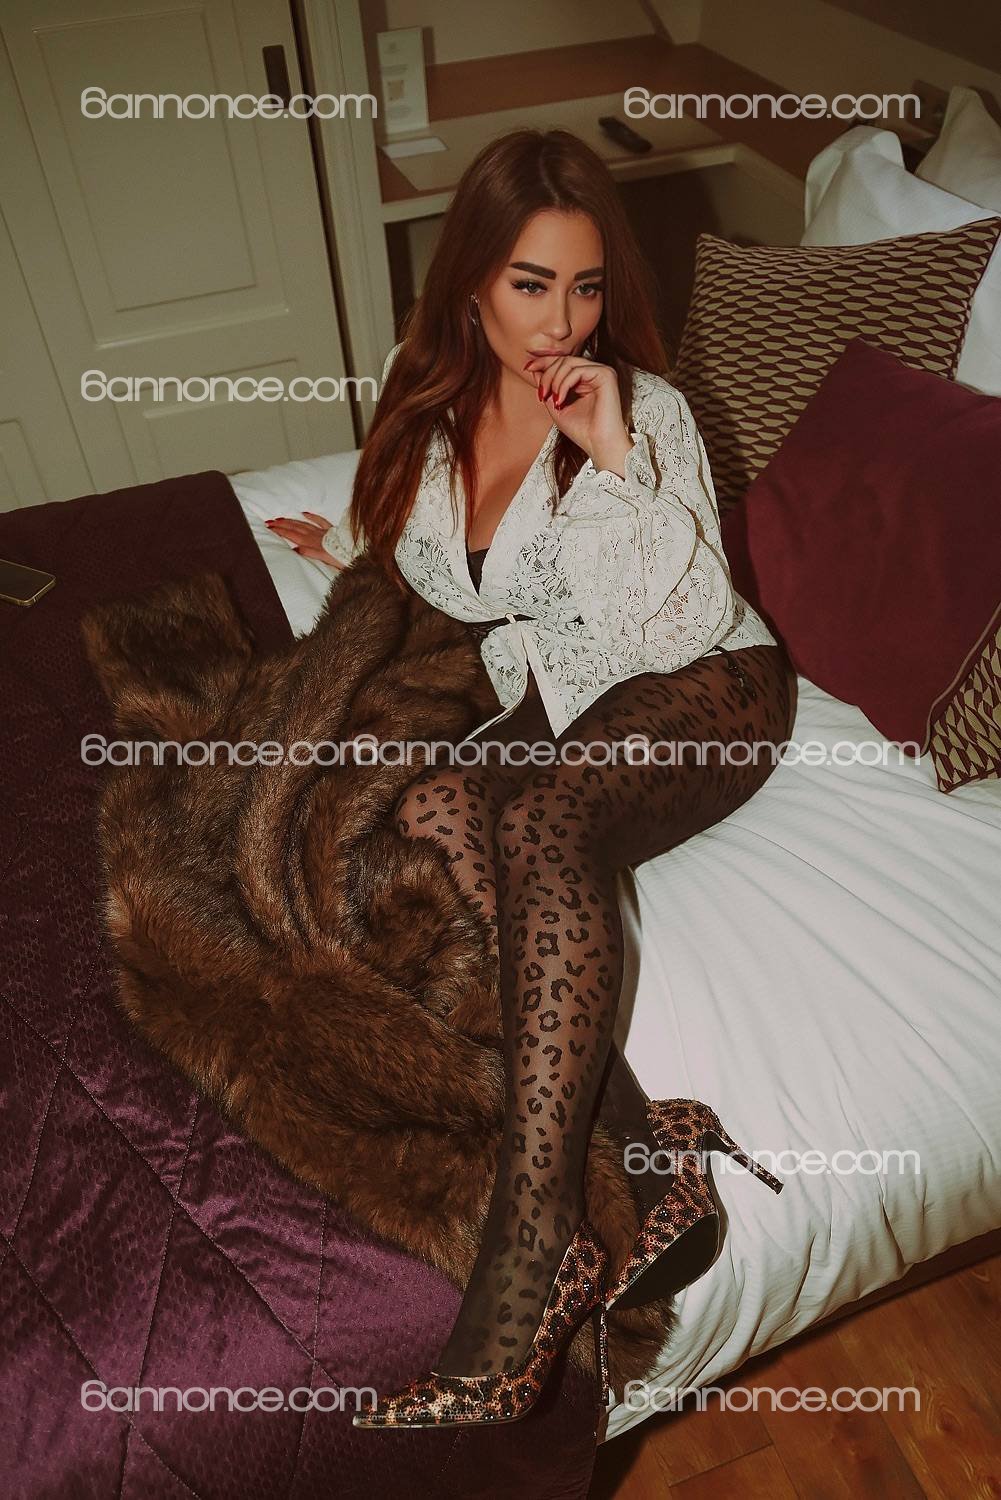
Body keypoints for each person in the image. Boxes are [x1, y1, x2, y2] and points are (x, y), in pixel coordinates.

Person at [266, 128, 796, 1429]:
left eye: (585, 286)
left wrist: (613, 461)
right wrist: (342, 542)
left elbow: (679, 619)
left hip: (711, 688)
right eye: (529, 284)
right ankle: (654, 1154)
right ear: (469, 284)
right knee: (435, 809)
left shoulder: (643, 414)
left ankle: (536, 1240)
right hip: (572, 700)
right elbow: (436, 560)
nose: (562, 322)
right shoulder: (428, 413)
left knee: (548, 819)